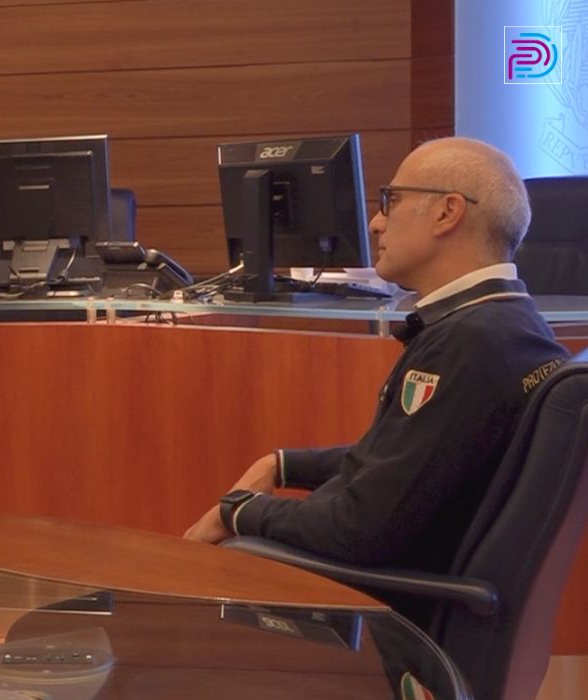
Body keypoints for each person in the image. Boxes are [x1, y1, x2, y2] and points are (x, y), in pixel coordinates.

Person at [183, 137, 569, 575]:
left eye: (392, 201)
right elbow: (405, 462)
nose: (375, 223)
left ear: (447, 212)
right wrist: (284, 465)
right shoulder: (508, 324)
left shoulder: (464, 347)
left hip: (392, 601)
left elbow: (356, 530)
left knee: (223, 562)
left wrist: (237, 512)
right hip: (425, 583)